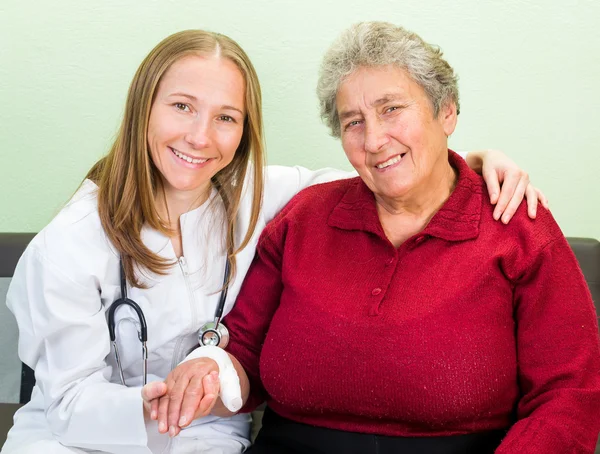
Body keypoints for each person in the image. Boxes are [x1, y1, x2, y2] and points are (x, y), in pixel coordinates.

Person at [3, 28, 546, 454]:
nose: (200, 137)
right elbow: (69, 404)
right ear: (142, 108)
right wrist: (168, 401)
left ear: (245, 130)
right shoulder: (69, 243)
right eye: (181, 106)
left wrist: (470, 162)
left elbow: (383, 169)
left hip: (205, 440)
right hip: (73, 440)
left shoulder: (260, 195)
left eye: (226, 118)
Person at [151, 22, 600, 454]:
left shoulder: (517, 227)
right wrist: (211, 369)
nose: (375, 139)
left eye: (391, 109)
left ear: (446, 111)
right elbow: (244, 350)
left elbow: (570, 395)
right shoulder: (304, 218)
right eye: (353, 122)